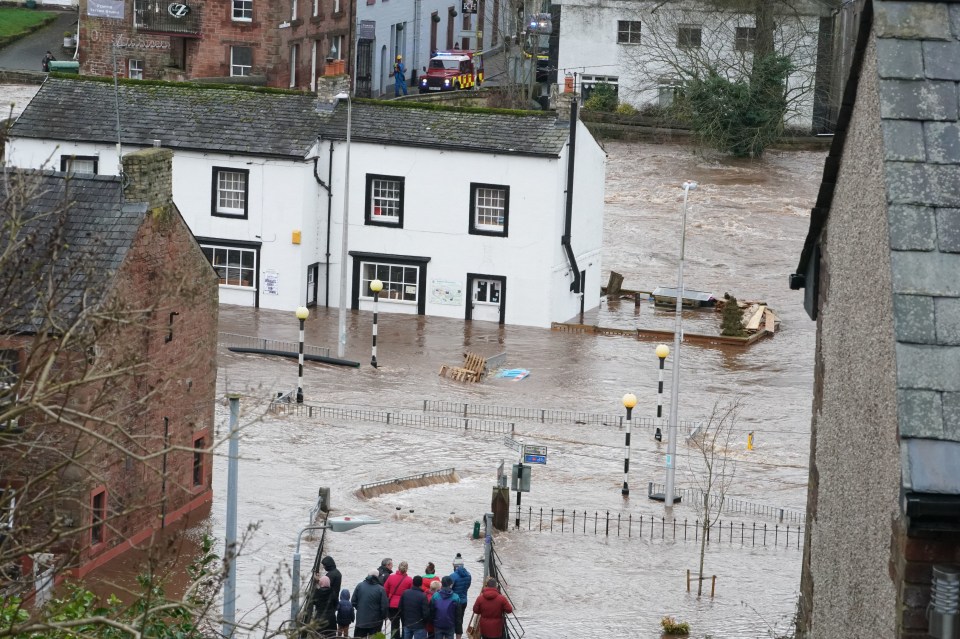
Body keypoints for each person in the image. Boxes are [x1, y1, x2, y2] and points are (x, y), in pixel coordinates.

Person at [351, 570, 389, 637]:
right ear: (378, 577)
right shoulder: (381, 589)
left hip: (361, 621)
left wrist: (360, 609)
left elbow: (353, 602)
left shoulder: (359, 586)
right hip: (375, 622)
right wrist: (384, 616)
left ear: (368, 575)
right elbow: (384, 606)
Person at [384, 561, 413, 639]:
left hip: (392, 604)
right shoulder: (409, 580)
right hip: (404, 605)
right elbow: (411, 594)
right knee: (404, 624)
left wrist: (389, 597)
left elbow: (385, 590)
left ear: (398, 568)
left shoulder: (391, 577)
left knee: (394, 624)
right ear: (407, 569)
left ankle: (394, 637)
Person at [447, 554, 472, 639]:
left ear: (455, 566)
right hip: (464, 601)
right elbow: (468, 586)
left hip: (454, 602)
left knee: (450, 620)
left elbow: (449, 590)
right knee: (459, 621)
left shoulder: (453, 576)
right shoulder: (468, 575)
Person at [398, 575, 430, 639]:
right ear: (421, 584)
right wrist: (425, 623)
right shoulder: (423, 596)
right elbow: (425, 613)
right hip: (420, 625)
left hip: (407, 623)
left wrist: (404, 620)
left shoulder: (405, 593)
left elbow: (400, 608)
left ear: (413, 582)